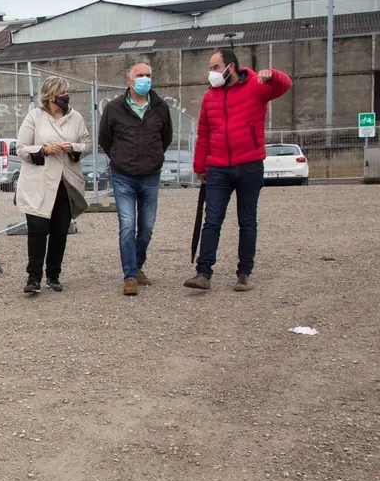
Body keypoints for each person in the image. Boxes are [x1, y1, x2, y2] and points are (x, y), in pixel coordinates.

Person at [185, 48, 292, 292]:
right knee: (212, 220)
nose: (211, 72)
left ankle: (244, 274)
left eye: (215, 67)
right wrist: (200, 166)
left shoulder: (255, 86)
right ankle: (203, 273)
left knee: (247, 221)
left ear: (230, 67)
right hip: (218, 167)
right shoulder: (210, 97)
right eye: (210, 68)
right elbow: (204, 134)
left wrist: (271, 74)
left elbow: (284, 85)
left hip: (249, 164)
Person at [99, 59, 173, 296]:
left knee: (147, 227)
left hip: (150, 176)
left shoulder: (160, 107)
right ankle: (130, 276)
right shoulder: (114, 108)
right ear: (129, 80)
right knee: (127, 226)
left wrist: (153, 157)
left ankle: (138, 266)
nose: (145, 79)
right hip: (123, 176)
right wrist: (120, 158)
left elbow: (166, 137)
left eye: (148, 75)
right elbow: (105, 139)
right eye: (140, 75)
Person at [15, 76, 92, 294]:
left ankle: (53, 275)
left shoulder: (76, 117)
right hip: (38, 183)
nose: (67, 96)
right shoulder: (34, 116)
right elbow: (21, 148)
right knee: (37, 229)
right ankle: (33, 278)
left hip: (65, 183)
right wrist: (44, 150)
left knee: (60, 231)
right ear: (50, 96)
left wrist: (72, 147)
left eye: (67, 92)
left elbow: (87, 145)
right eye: (63, 92)